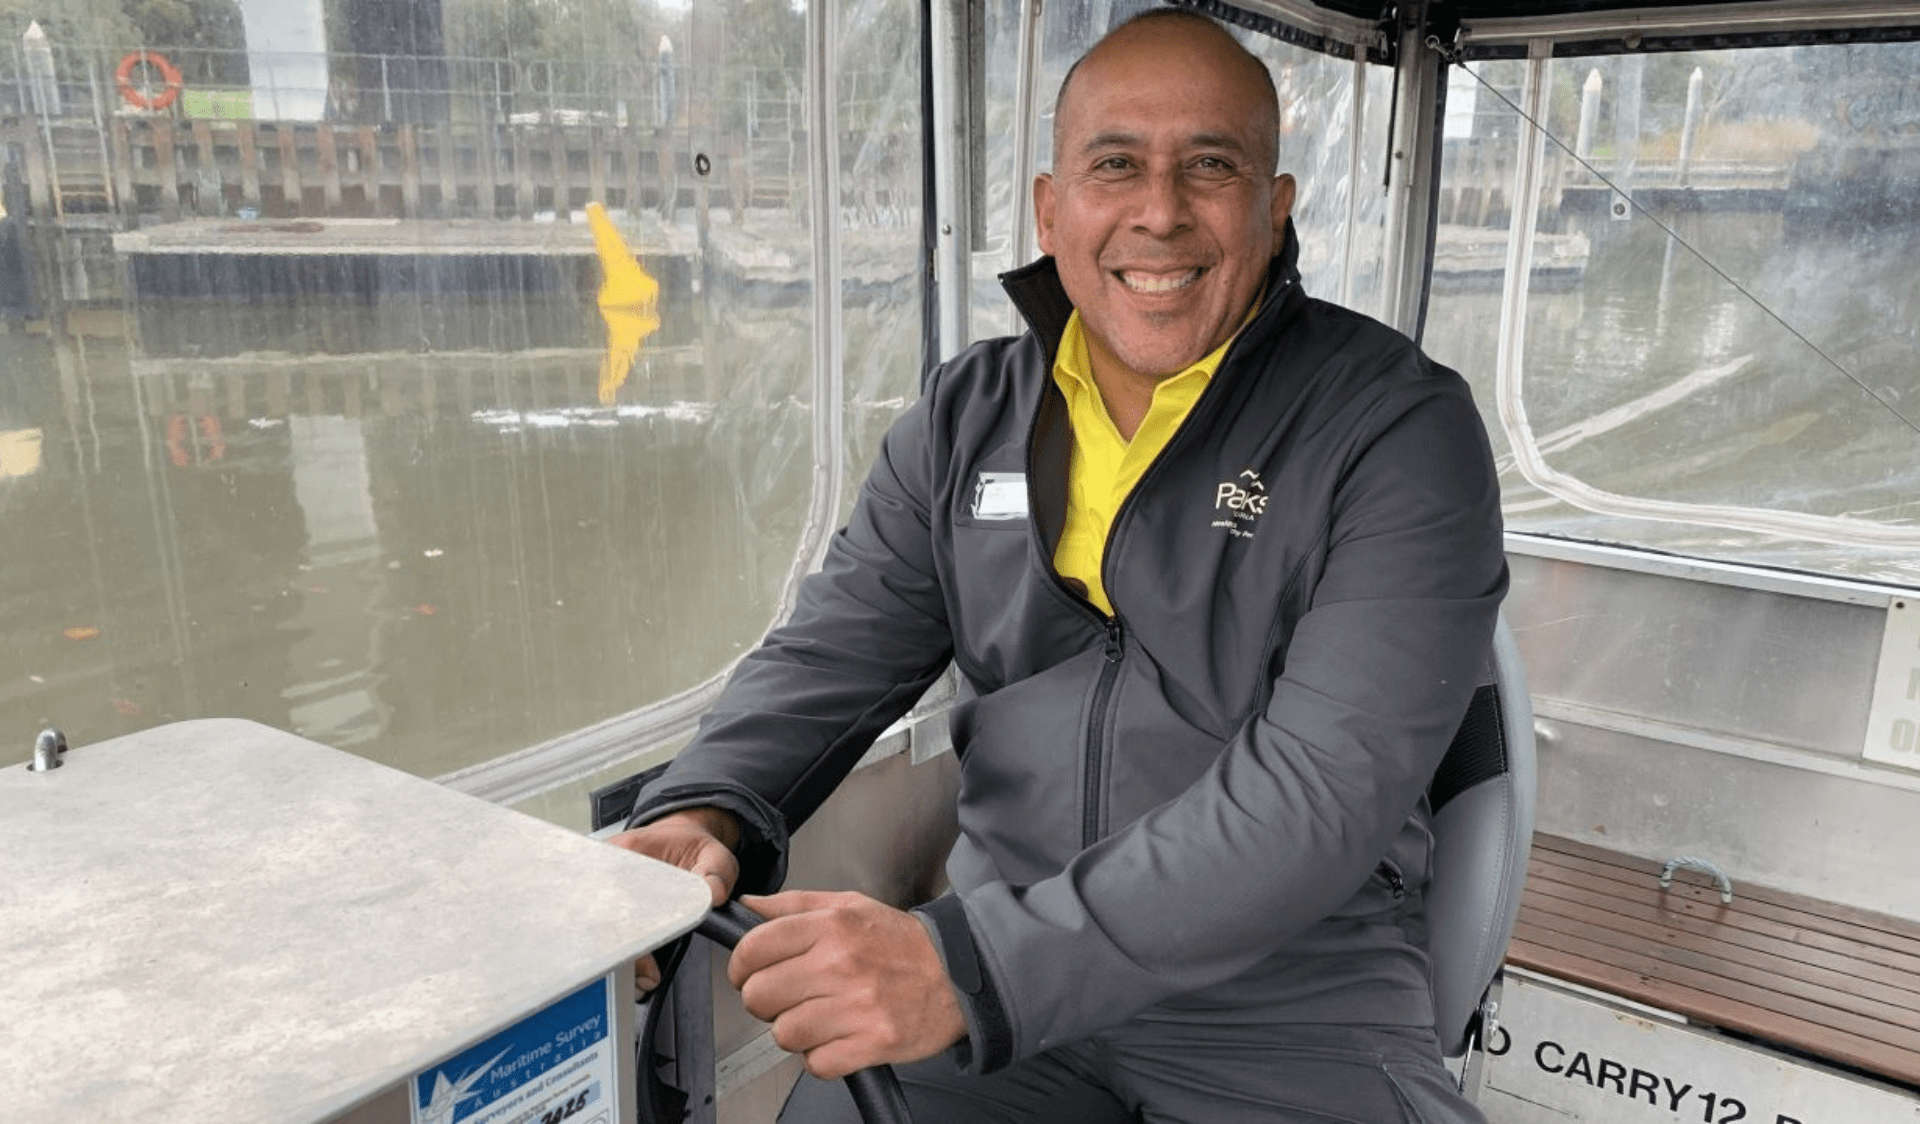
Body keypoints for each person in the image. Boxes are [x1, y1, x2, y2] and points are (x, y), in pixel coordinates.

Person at [611, 9, 1506, 1122]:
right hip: (1001, 970)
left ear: (1274, 211)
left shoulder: (1397, 427)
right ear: (1051, 207)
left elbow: (1321, 792)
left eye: (1212, 165)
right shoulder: (964, 416)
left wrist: (971, 963)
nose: (1161, 210)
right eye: (1115, 163)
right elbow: (836, 645)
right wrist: (707, 806)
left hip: (1288, 995)